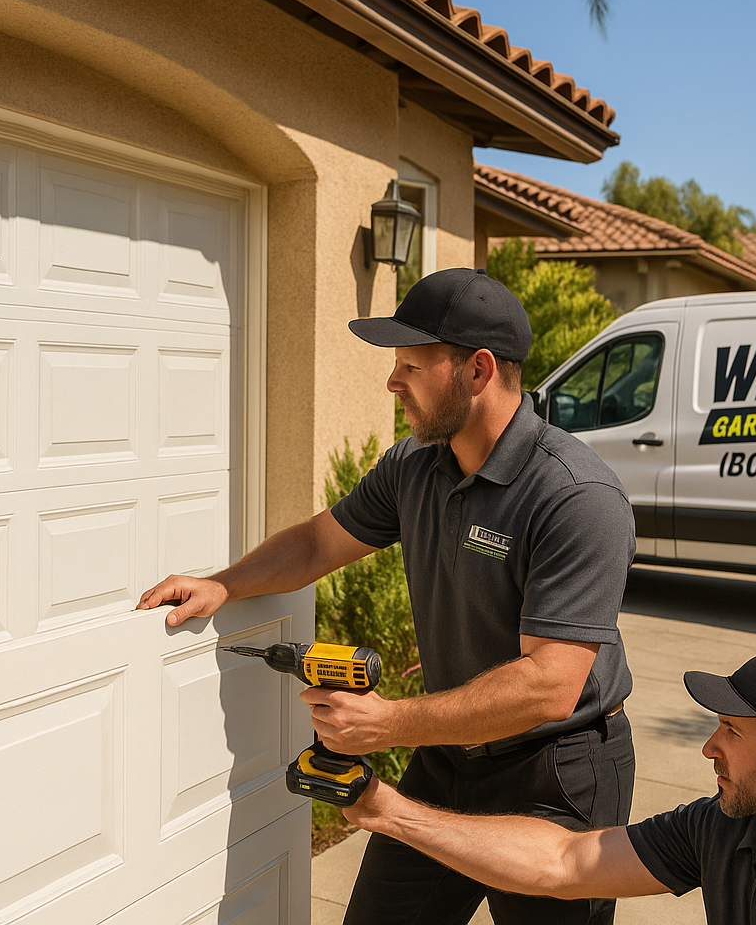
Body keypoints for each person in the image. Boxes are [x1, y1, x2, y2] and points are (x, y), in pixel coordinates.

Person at [137, 267, 638, 924]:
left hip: (558, 772)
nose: (391, 381)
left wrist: (388, 723)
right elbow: (317, 546)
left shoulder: (576, 496)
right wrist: (225, 583)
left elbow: (551, 685)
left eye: (410, 364)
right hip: (448, 760)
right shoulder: (415, 467)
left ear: (477, 370)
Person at [342, 650, 756, 925]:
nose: (709, 747)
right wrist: (386, 809)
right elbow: (566, 861)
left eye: (730, 730)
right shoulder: (725, 828)